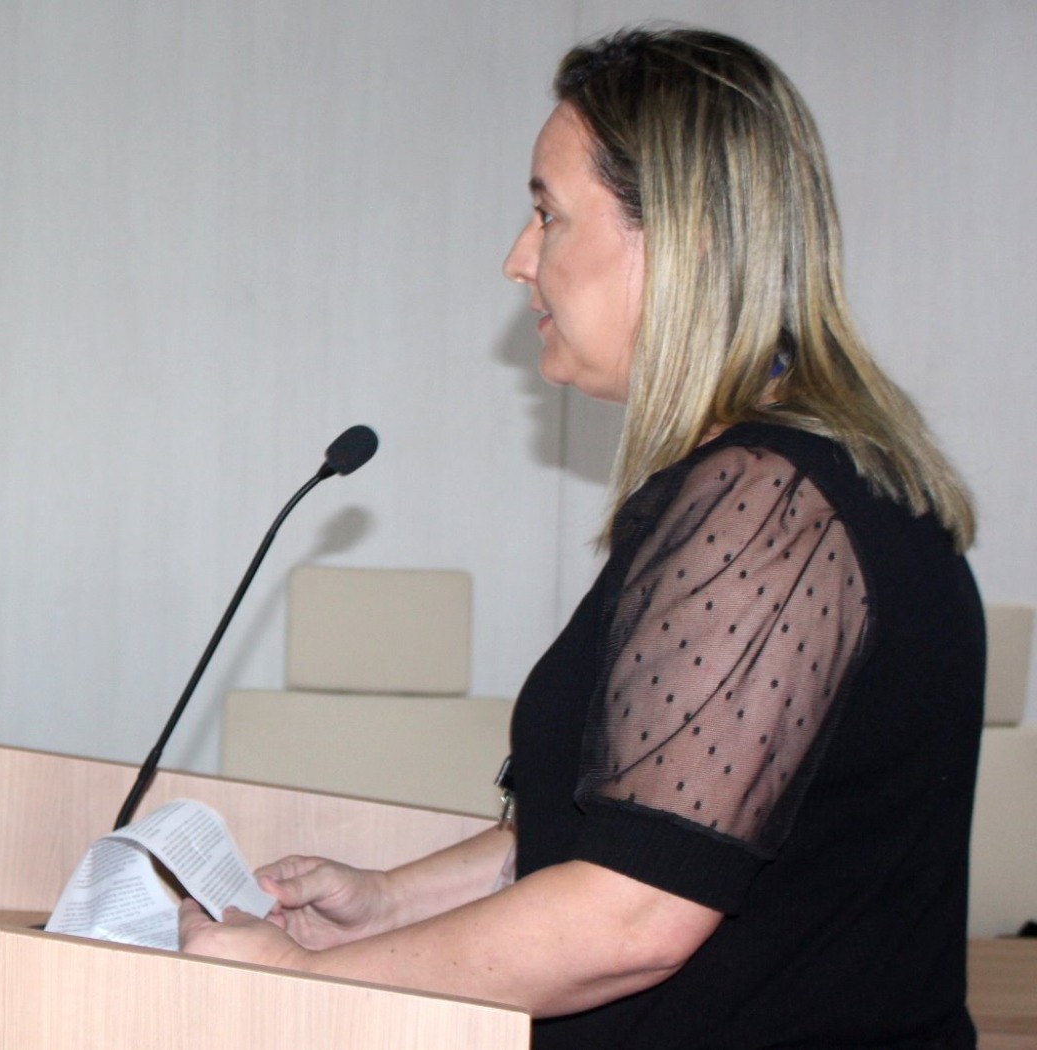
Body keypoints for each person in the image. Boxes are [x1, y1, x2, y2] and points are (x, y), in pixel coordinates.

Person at [179, 26, 985, 1048]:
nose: (519, 260)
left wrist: (305, 984)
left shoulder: (768, 507)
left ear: (685, 238)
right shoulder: (794, 485)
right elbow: (650, 834)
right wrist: (389, 902)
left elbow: (632, 916)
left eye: (548, 214)